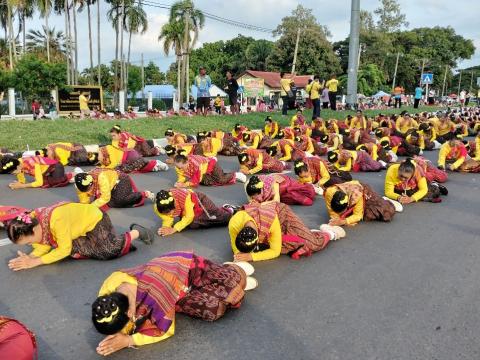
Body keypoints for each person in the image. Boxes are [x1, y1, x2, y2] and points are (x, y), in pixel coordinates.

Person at [91, 251, 256, 356]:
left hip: (186, 270)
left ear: (129, 313)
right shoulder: (106, 296)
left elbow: (166, 330)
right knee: (212, 309)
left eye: (123, 326)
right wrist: (119, 333)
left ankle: (233, 269)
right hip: (175, 289)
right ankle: (232, 281)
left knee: (229, 284)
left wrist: (129, 340)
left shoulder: (156, 294)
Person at [6, 202, 154, 271]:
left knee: (108, 250)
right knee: (76, 250)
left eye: (29, 241)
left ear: (33, 230)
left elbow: (62, 249)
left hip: (95, 220)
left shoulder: (56, 219)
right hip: (77, 230)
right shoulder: (33, 221)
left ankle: (137, 232)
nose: (30, 244)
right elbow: (42, 245)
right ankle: (117, 241)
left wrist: (35, 262)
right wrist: (30, 257)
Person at [229, 201, 345, 261]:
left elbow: (275, 251)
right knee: (285, 242)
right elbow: (235, 245)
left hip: (280, 214)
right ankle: (305, 232)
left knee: (312, 243)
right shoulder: (234, 223)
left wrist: (251, 257)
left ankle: (330, 233)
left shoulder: (269, 219)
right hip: (266, 224)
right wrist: (238, 254)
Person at [154, 189, 234, 236]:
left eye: (170, 211)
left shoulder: (184, 197)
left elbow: (189, 216)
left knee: (225, 219)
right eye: (165, 213)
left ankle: (229, 209)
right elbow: (168, 219)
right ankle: (221, 210)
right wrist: (166, 227)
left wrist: (174, 229)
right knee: (193, 224)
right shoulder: (157, 207)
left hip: (199, 201)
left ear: (173, 204)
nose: (169, 214)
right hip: (187, 211)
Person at [324, 180, 401, 227]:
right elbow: (331, 209)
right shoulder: (329, 192)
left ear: (348, 204)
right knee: (346, 216)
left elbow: (358, 215)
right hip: (351, 195)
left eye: (343, 210)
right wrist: (335, 218)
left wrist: (344, 221)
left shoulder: (357, 196)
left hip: (363, 191)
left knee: (385, 213)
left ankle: (385, 200)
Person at [75, 169, 152, 211]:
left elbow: (105, 198)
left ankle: (143, 194)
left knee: (119, 201)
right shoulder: (78, 186)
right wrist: (84, 208)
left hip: (120, 180)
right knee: (109, 203)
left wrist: (91, 207)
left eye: (89, 188)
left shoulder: (101, 177)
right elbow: (84, 199)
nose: (88, 191)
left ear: (92, 182)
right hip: (109, 187)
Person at [174, 154, 246, 188]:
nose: (179, 169)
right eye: (178, 167)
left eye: (181, 167)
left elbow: (197, 178)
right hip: (203, 172)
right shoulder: (178, 167)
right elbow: (181, 175)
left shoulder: (196, 163)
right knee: (207, 182)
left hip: (210, 165)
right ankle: (221, 173)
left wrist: (184, 184)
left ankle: (236, 175)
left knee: (221, 179)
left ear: (187, 162)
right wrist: (179, 182)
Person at [4, 156, 72, 190]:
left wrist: (21, 186)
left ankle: (72, 175)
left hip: (56, 167)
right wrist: (20, 183)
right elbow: (21, 177)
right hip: (45, 171)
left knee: (53, 182)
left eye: (13, 172)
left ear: (18, 166)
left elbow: (39, 183)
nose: (13, 174)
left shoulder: (32, 164)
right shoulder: (18, 163)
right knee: (43, 181)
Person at [246, 174, 316, 206]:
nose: (252, 198)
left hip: (286, 186)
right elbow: (250, 199)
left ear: (259, 192)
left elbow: (277, 201)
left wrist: (261, 204)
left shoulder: (274, 184)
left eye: (253, 196)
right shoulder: (252, 184)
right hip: (280, 189)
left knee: (309, 193)